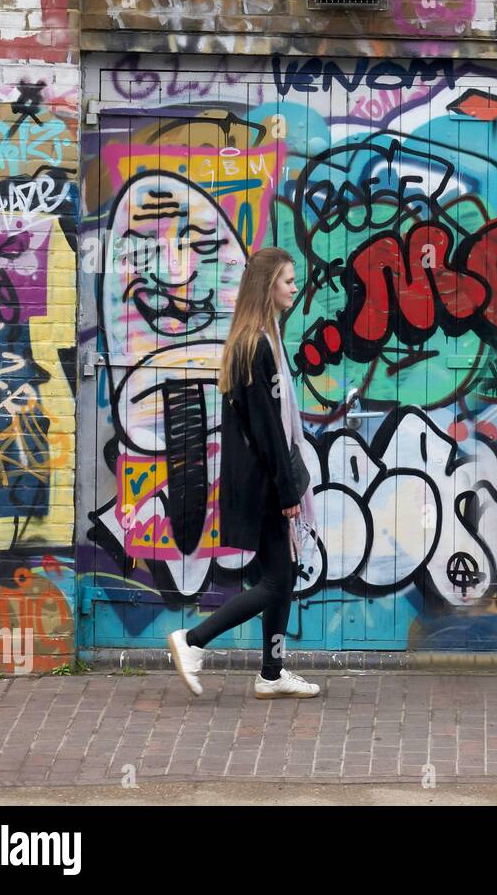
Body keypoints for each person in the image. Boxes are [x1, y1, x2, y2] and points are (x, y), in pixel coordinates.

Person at [167, 247, 320, 700]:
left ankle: (271, 674)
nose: (294, 287)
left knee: (284, 574)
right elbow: (268, 428)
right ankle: (192, 641)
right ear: (267, 285)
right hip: (266, 484)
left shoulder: (259, 338)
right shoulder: (257, 346)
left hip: (266, 480)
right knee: (276, 580)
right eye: (288, 280)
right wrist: (287, 488)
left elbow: (270, 424)